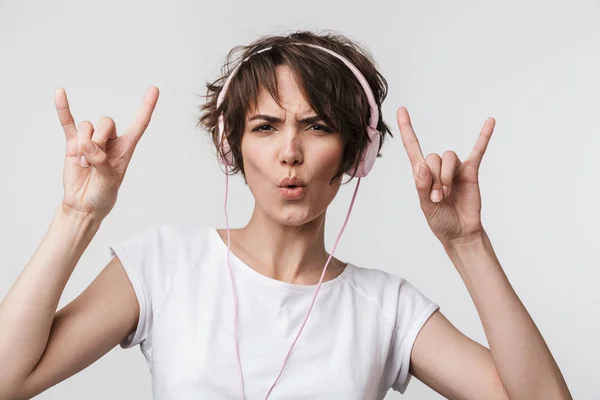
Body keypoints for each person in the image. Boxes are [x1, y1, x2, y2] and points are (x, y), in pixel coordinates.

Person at [0, 31, 571, 400]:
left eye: (317, 126)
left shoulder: (386, 308)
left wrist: (467, 241)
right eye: (265, 127)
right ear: (233, 149)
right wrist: (78, 213)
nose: (289, 152)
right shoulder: (163, 265)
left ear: (354, 155)